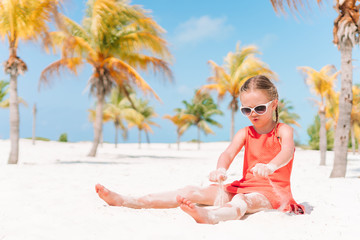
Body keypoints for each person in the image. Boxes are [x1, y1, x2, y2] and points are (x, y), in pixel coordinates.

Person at [95, 75, 304, 224]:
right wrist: (220, 169)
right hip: (242, 186)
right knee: (191, 191)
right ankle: (129, 201)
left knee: (243, 201)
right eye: (246, 110)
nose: (253, 114)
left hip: (272, 193)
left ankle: (211, 217)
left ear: (274, 104)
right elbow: (228, 153)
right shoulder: (245, 132)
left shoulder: (283, 130)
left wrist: (270, 166)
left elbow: (286, 152)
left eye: (259, 108)